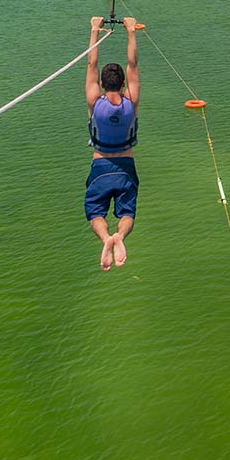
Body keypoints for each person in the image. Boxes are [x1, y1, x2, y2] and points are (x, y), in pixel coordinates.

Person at [85, 15, 140, 270]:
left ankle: (106, 237)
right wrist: (131, 31)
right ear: (122, 83)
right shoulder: (131, 102)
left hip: (100, 167)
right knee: (127, 213)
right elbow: (133, 64)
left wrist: (95, 30)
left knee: (95, 212)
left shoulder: (95, 102)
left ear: (103, 84)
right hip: (126, 167)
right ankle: (120, 235)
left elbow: (91, 63)